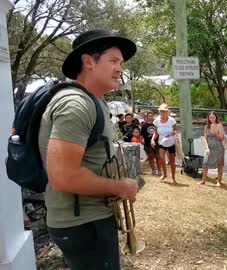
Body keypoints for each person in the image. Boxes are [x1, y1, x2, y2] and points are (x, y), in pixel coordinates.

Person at [38, 29, 138, 269]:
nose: (120, 69)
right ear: (88, 61)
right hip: (83, 224)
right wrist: (120, 187)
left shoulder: (95, 101)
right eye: (113, 61)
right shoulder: (76, 105)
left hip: (91, 220)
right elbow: (63, 177)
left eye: (121, 63)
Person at [151, 103, 178, 183]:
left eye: (164, 111)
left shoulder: (172, 120)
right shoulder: (156, 121)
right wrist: (152, 139)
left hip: (171, 142)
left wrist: (173, 133)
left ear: (168, 112)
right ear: (159, 112)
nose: (163, 113)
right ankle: (164, 174)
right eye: (161, 111)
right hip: (161, 142)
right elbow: (156, 132)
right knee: (162, 158)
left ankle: (173, 177)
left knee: (172, 161)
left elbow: (176, 130)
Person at [200, 112, 225, 186]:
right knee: (205, 163)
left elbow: (222, 138)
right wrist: (207, 148)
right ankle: (203, 180)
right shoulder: (206, 126)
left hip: (218, 147)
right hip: (210, 148)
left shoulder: (219, 125)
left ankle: (219, 181)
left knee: (219, 164)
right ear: (208, 118)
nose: (212, 119)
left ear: (216, 117)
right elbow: (205, 138)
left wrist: (216, 134)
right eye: (210, 117)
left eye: (213, 117)